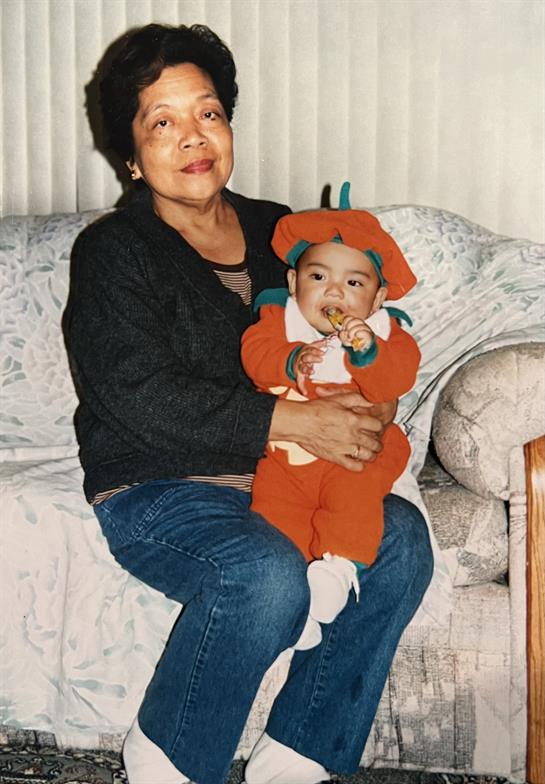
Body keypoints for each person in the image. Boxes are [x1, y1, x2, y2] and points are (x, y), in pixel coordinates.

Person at [63, 22, 433, 784]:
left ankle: (298, 755)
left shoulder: (285, 231)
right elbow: (137, 394)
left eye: (207, 112)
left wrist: (374, 404)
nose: (193, 137)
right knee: (264, 571)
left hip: (289, 471)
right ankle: (168, 761)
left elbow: (358, 327)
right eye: (161, 122)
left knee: (398, 541)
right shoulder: (113, 252)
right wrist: (294, 420)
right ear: (129, 155)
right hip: (160, 483)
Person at [241, 187, 421, 637]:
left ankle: (340, 569)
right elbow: (255, 356)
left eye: (354, 283)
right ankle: (297, 608)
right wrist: (287, 361)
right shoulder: (278, 323)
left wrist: (368, 353)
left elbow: (396, 378)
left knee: (354, 497)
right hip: (286, 458)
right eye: (318, 277)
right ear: (292, 285)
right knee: (272, 513)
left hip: (356, 454)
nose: (334, 291)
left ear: (377, 300)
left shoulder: (385, 333)